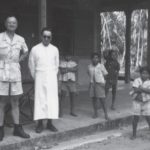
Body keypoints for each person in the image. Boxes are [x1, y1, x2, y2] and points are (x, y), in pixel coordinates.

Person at [0, 16, 30, 141]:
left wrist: (20, 59)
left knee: (15, 101)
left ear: (16, 25)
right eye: (9, 22)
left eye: (14, 23)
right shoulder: (0, 37)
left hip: (15, 72)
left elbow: (26, 51)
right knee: (1, 102)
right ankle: (0, 129)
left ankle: (17, 128)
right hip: (2, 72)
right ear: (5, 24)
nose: (11, 24)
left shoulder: (20, 39)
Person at [28, 27, 59, 133]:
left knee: (51, 99)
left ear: (51, 38)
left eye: (48, 37)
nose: (46, 38)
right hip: (39, 76)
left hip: (51, 77)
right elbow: (31, 64)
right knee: (40, 100)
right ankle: (40, 124)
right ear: (41, 36)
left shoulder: (55, 49)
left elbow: (56, 65)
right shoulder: (35, 49)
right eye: (44, 36)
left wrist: (51, 76)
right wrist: (36, 77)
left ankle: (50, 123)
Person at [87, 52, 109, 120]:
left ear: (98, 59)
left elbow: (105, 75)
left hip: (100, 84)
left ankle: (106, 114)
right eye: (93, 58)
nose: (95, 59)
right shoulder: (89, 66)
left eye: (96, 58)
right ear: (91, 59)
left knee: (102, 100)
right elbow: (88, 73)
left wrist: (103, 83)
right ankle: (95, 113)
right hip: (92, 84)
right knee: (94, 99)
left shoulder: (101, 66)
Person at [130, 66, 150, 139]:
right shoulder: (137, 80)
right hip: (137, 102)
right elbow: (135, 90)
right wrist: (145, 90)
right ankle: (134, 134)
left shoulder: (149, 82)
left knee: (148, 118)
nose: (144, 75)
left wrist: (141, 88)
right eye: (143, 73)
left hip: (147, 102)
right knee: (135, 118)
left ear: (149, 75)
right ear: (140, 74)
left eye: (146, 73)